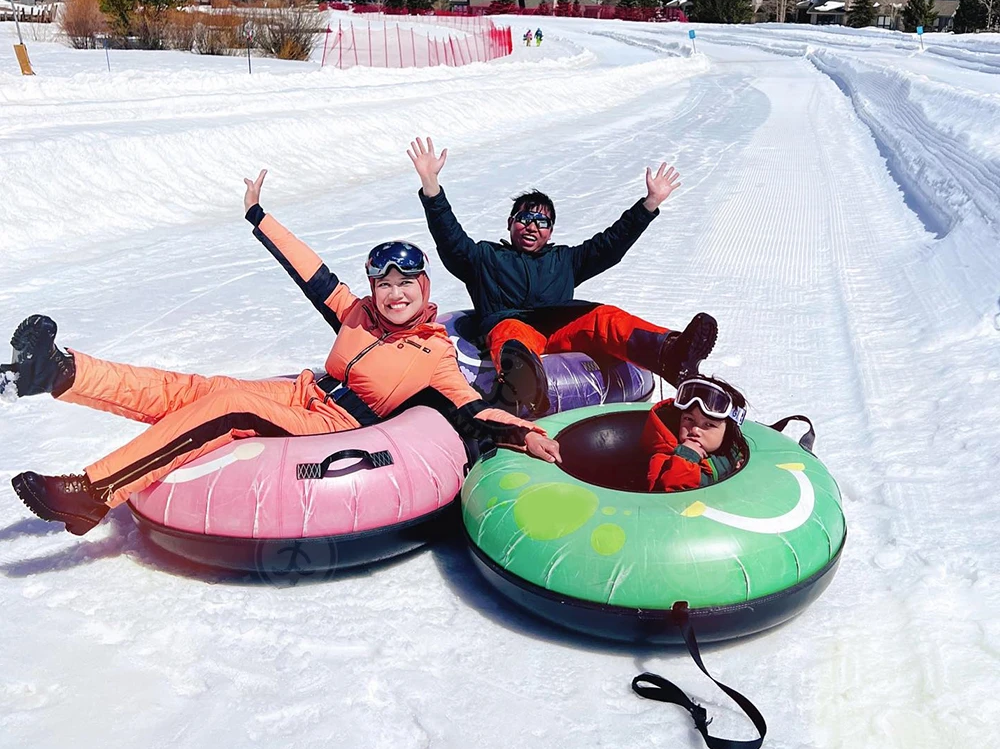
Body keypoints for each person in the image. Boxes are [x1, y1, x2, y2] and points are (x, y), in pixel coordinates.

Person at [3, 170, 560, 536]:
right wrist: (259, 216)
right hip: (306, 392)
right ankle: (59, 371)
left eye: (407, 283)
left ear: (424, 289)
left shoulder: (434, 353)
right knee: (199, 390)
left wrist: (525, 431)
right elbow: (310, 270)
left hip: (339, 426)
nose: (395, 293)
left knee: (227, 412)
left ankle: (93, 492)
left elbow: (470, 407)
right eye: (384, 283)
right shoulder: (357, 313)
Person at [407, 137, 718, 417]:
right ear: (510, 223)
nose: (532, 226)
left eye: (542, 221)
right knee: (510, 330)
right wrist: (431, 186)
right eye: (524, 218)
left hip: (562, 332)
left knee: (604, 316)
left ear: (551, 231)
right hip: (514, 330)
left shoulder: (565, 260)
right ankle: (523, 387)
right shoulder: (484, 258)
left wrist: (649, 204)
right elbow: (449, 239)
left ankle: (671, 353)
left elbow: (610, 245)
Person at [640, 375, 749, 492]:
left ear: (727, 431)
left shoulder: (728, 449)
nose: (695, 430)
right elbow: (671, 492)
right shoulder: (663, 460)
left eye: (709, 425)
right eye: (689, 419)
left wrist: (738, 464)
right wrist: (686, 457)